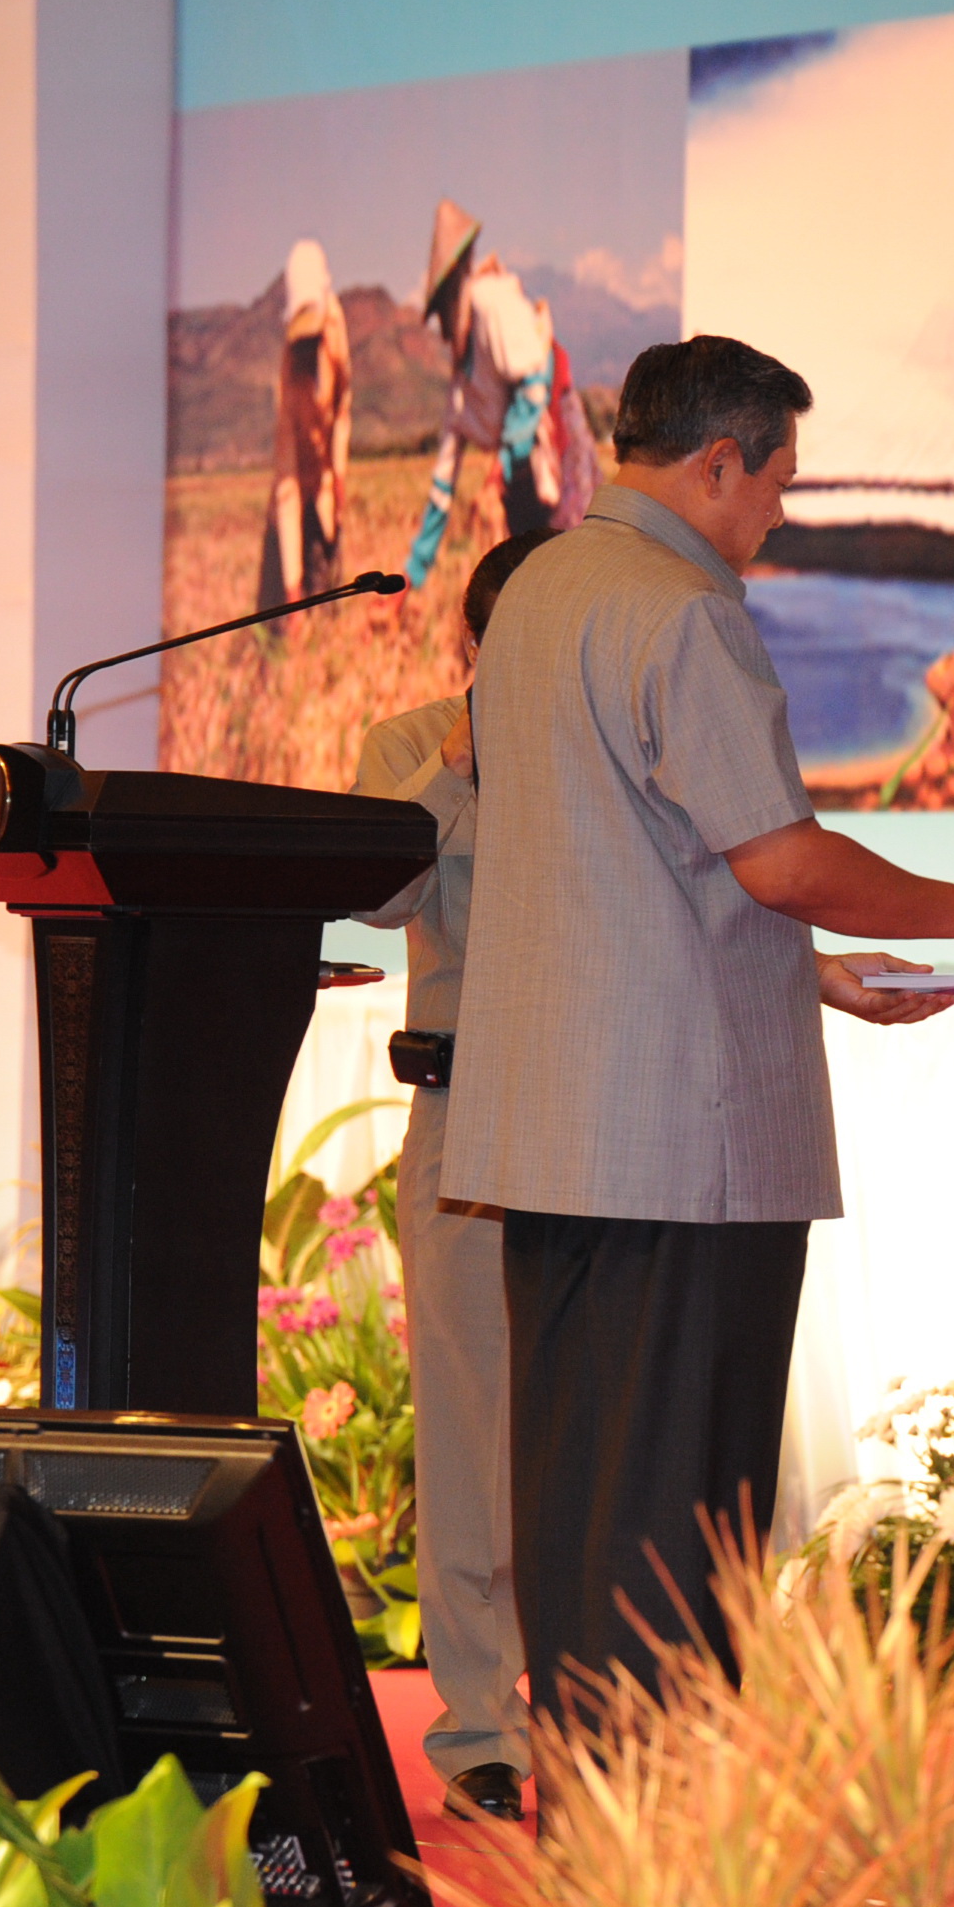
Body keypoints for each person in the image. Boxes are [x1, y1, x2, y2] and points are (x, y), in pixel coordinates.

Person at [444, 335, 954, 1734]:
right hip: (683, 1150)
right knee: (679, 1522)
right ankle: (671, 1824)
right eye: (777, 483)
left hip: (558, 1137)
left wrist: (803, 975)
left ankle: (593, 1804)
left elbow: (614, 873)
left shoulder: (540, 593)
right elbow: (781, 859)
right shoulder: (684, 610)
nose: (778, 514)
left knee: (580, 1501)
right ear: (717, 464)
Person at [349, 531, 555, 1825]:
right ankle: (482, 1729)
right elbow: (373, 896)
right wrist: (462, 764)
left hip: (606, 1115)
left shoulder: (620, 746)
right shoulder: (408, 745)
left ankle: (592, 1711)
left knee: (587, 1428)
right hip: (466, 1109)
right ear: (475, 641)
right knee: (471, 1433)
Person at [404, 198, 562, 589]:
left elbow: (534, 379)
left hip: (553, 448)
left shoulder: (492, 304)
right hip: (520, 479)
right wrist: (410, 575)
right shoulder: (462, 386)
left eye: (445, 300)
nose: (444, 319)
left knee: (565, 570)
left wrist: (503, 465)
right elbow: (442, 487)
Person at [259, 238, 352, 611]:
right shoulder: (287, 380)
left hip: (324, 488)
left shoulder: (335, 326)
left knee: (329, 597)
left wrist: (339, 473)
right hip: (294, 497)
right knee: (277, 618)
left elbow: (343, 405)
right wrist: (292, 589)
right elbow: (287, 485)